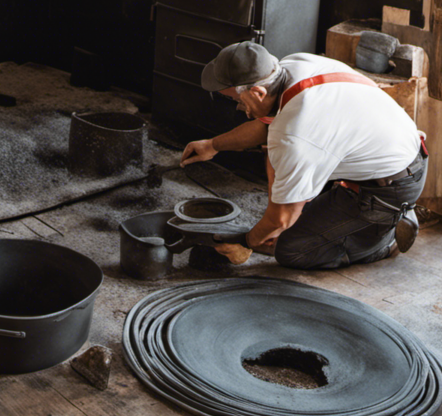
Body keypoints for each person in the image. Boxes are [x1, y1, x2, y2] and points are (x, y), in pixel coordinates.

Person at [180, 41, 428, 269]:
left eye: (235, 98)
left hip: (390, 187)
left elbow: (281, 218)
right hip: (394, 153)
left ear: (257, 92)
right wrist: (213, 145)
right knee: (283, 221)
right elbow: (266, 126)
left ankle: (380, 239)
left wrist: (248, 241)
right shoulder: (290, 67)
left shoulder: (295, 134)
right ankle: (375, 218)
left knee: (290, 250)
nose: (237, 106)